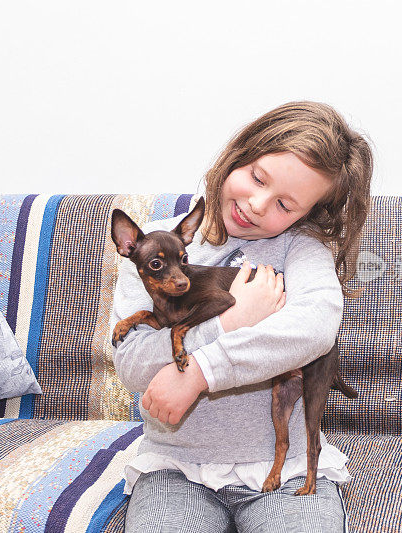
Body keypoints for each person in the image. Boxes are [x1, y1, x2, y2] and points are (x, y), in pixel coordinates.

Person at [111, 101, 373, 533]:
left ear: (308, 214)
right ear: (239, 153)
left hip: (284, 470)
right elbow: (135, 367)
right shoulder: (153, 246)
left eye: (285, 205)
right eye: (256, 178)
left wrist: (202, 371)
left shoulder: (301, 250)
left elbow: (316, 328)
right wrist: (232, 319)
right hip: (175, 466)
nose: (256, 204)